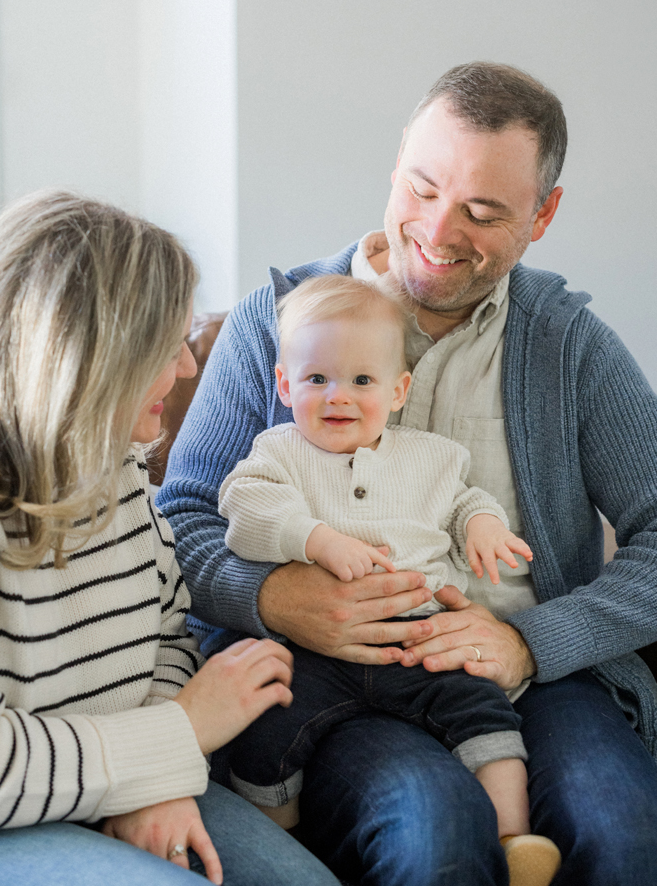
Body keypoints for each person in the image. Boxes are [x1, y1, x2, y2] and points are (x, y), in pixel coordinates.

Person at [159, 62, 657, 886]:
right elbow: (180, 517)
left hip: (531, 675)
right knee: (433, 827)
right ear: (397, 161)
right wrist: (276, 597)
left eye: (483, 211)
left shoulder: (566, 345)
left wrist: (528, 643)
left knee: (623, 832)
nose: (438, 230)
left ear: (543, 215)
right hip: (334, 678)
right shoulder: (279, 322)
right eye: (423, 189)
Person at [0, 191, 339, 886]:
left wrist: (152, 777)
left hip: (108, 782)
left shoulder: (108, 453)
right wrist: (179, 734)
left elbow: (169, 633)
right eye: (162, 344)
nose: (188, 366)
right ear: (82, 356)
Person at [219, 274, 560, 886]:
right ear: (283, 383)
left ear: (399, 390)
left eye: (362, 381)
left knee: (485, 713)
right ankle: (279, 840)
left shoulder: (432, 456)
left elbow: (462, 501)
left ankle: (514, 838)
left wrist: (482, 525)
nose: (337, 398)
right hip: (319, 647)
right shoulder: (278, 453)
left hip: (422, 639)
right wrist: (316, 540)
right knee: (266, 721)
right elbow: (244, 509)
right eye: (316, 379)